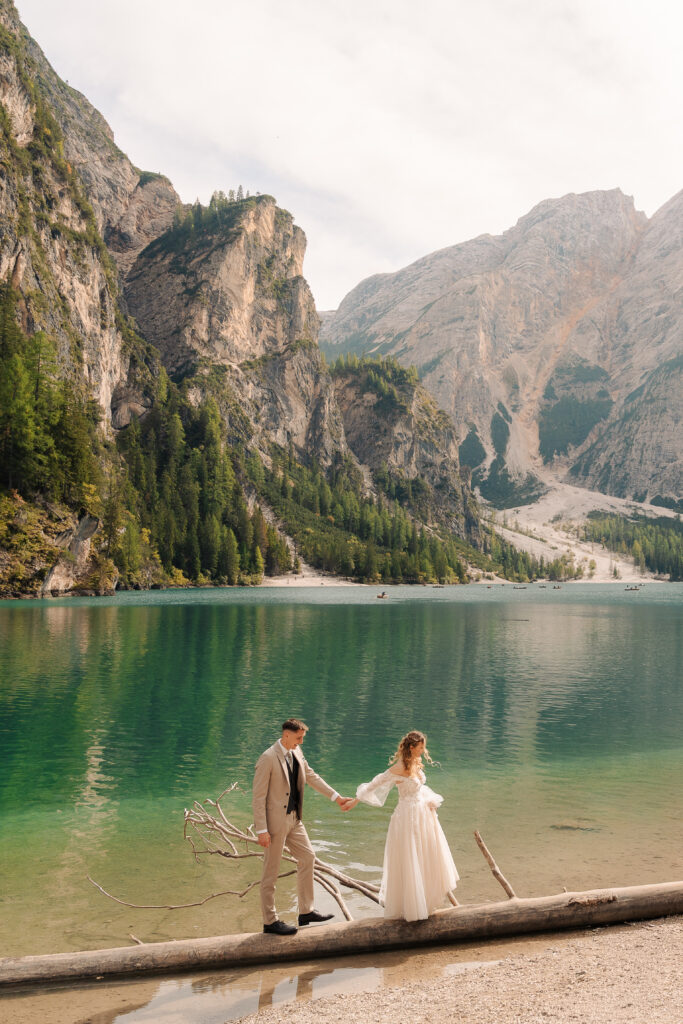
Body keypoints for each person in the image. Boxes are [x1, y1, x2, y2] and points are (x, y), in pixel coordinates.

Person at [252, 717, 352, 935]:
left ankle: (306, 911)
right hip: (274, 824)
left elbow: (310, 776)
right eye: (299, 738)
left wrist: (336, 797)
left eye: (302, 738)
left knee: (308, 857)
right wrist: (262, 830)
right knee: (271, 872)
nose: (301, 742)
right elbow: (258, 798)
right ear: (286, 734)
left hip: (295, 819)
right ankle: (270, 921)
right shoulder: (268, 758)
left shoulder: (296, 752)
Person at [346, 730, 459, 921]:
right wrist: (356, 800)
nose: (423, 751)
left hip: (423, 813)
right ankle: (413, 907)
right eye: (421, 747)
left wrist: (429, 801)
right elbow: (377, 781)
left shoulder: (415, 763)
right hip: (408, 816)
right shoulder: (399, 767)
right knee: (411, 857)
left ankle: (425, 901)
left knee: (425, 855)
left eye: (424, 747)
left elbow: (419, 788)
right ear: (412, 747)